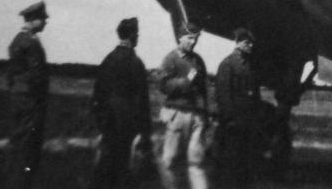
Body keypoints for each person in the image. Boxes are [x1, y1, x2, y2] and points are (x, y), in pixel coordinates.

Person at [89, 17, 153, 188]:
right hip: (127, 124)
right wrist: (145, 130)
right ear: (132, 35)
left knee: (105, 165)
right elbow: (142, 99)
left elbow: (98, 94)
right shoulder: (136, 63)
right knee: (123, 168)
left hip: (108, 122)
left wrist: (101, 121)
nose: (138, 37)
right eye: (137, 34)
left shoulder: (108, 59)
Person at [157, 22, 209, 189]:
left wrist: (205, 114)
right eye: (190, 38)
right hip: (177, 114)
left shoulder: (198, 60)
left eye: (195, 39)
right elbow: (163, 86)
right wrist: (186, 81)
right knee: (170, 160)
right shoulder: (170, 59)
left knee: (196, 161)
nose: (193, 42)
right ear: (180, 37)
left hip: (196, 116)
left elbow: (203, 90)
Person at [5, 0, 50, 189]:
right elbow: (37, 76)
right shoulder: (30, 43)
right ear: (32, 19)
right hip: (31, 102)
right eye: (42, 18)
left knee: (18, 146)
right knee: (28, 149)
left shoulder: (17, 40)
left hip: (18, 99)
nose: (46, 21)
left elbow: (11, 75)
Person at [214, 28, 260, 185]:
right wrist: (230, 119)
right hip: (234, 122)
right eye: (247, 42)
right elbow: (223, 94)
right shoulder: (227, 64)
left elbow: (255, 94)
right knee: (232, 160)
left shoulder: (250, 65)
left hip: (248, 120)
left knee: (246, 161)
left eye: (252, 43)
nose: (251, 45)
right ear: (238, 43)